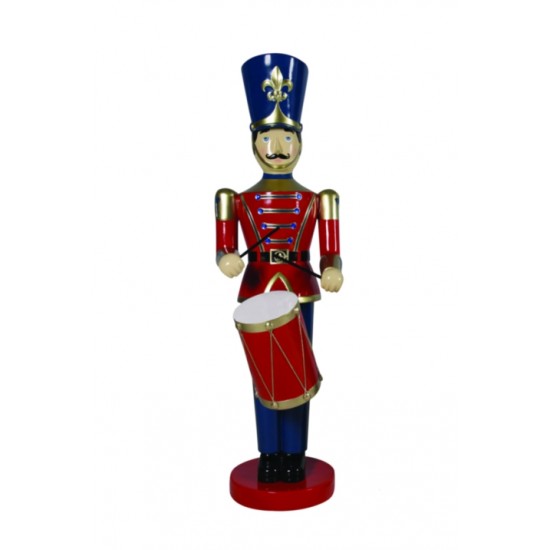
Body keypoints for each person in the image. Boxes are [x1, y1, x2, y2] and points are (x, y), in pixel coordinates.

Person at [215, 53, 343, 483]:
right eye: (268, 138)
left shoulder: (319, 198)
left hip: (300, 291)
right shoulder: (235, 198)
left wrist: (332, 269)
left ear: (300, 141)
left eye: (287, 137)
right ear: (253, 141)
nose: (278, 149)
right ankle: (268, 452)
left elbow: (331, 252)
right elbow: (223, 249)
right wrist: (226, 258)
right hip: (256, 290)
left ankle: (295, 453)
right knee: (263, 375)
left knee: (297, 374)